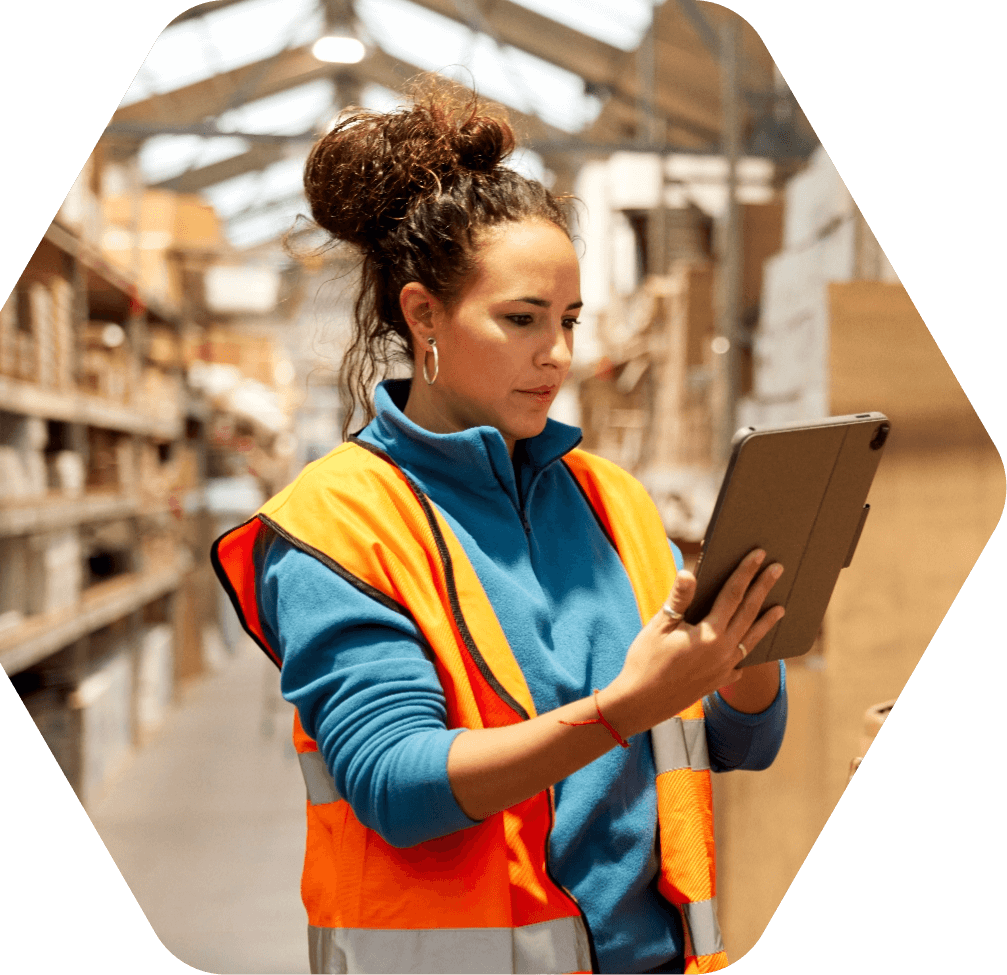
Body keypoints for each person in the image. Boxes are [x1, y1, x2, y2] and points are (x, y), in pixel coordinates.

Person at [212, 79, 788, 975]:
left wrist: (742, 650)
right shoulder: (336, 524)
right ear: (423, 314)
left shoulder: (613, 501)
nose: (556, 352)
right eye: (520, 320)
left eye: (568, 320)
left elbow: (731, 742)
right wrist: (618, 708)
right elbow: (396, 784)